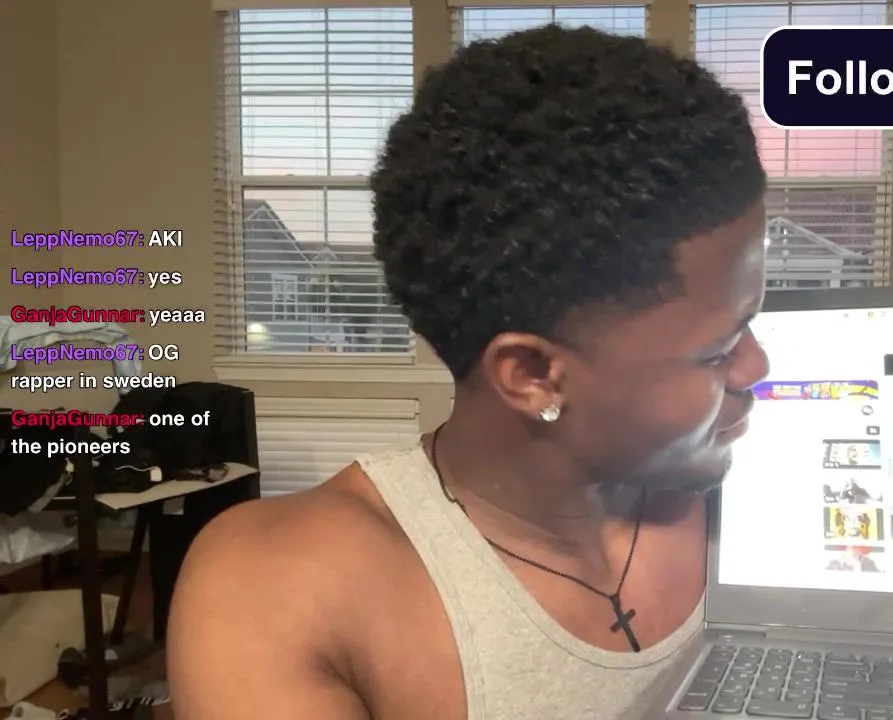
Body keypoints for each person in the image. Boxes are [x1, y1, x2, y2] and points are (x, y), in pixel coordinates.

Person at [166, 24, 770, 720]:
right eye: (718, 349)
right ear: (533, 375)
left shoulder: (765, 498)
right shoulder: (277, 588)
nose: (757, 367)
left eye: (751, 321)